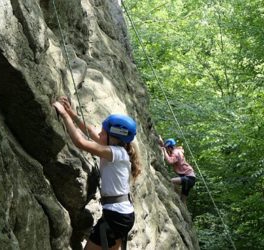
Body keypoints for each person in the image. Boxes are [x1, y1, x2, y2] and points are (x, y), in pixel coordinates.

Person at [52, 96, 141, 250]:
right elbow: (90, 131)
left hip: (116, 217)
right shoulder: (117, 149)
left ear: (114, 137)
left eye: (103, 132)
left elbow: (80, 142)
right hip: (122, 215)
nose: (100, 134)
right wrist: (72, 114)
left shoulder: (115, 153)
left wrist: (65, 116)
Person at [158, 136, 196, 205]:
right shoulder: (177, 151)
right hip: (191, 177)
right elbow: (168, 154)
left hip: (188, 178)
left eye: (167, 148)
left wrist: (163, 149)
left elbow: (170, 160)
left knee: (170, 181)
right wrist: (162, 144)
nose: (167, 150)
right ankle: (185, 213)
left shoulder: (175, 153)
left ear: (170, 147)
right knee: (183, 199)